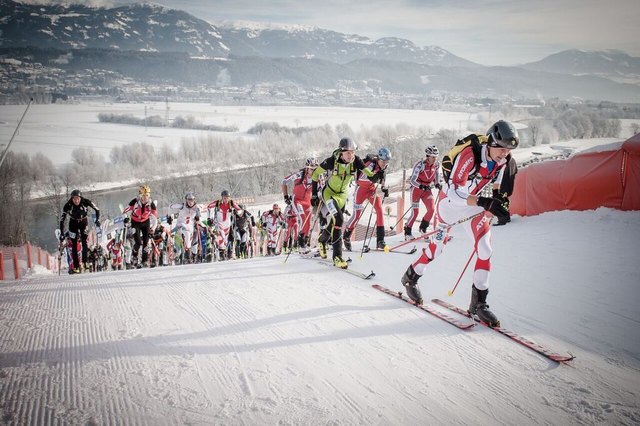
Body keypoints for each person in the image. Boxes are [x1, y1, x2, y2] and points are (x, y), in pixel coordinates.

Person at [400, 120, 519, 327]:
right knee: (436, 250)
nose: (504, 154)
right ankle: (410, 277)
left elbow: (499, 186)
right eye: (500, 148)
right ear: (490, 143)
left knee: (485, 249)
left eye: (508, 150)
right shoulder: (470, 155)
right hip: (448, 205)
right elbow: (454, 192)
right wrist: (483, 201)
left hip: (473, 206)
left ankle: (479, 304)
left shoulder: (505, 161)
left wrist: (497, 202)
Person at [311, 137, 376, 268]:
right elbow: (315, 174)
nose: (350, 155)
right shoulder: (331, 161)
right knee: (339, 220)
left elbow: (368, 173)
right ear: (341, 152)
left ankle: (322, 240)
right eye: (347, 152)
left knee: (334, 222)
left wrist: (376, 176)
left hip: (342, 196)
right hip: (329, 194)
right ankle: (337, 256)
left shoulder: (356, 161)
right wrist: (313, 194)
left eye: (353, 152)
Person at [343, 147, 392, 250]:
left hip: (371, 190)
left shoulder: (383, 167)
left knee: (379, 210)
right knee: (357, 215)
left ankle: (380, 241)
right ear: (378, 159)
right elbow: (360, 180)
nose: (384, 163)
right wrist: (374, 178)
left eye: (386, 161)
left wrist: (384, 188)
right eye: (383, 161)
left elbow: (382, 177)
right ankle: (347, 235)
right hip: (361, 190)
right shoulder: (370, 165)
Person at [404, 145, 443, 239]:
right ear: (428, 156)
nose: (434, 159)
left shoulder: (436, 165)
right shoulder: (420, 165)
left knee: (431, 209)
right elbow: (412, 180)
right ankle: (407, 231)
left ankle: (423, 228)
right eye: (433, 157)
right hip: (416, 190)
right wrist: (420, 186)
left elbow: (437, 175)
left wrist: (437, 183)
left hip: (427, 190)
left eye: (436, 157)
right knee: (415, 213)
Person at [58, 189, 100, 274]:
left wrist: (97, 220)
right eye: (74, 199)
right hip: (73, 223)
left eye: (78, 198)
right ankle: (76, 266)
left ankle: (85, 262)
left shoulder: (85, 201)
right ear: (72, 199)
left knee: (85, 243)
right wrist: (62, 233)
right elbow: (62, 220)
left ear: (80, 198)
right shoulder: (68, 205)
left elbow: (97, 209)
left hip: (83, 222)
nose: (76, 200)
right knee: (73, 245)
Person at [281, 158, 318, 252]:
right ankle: (301, 245)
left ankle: (304, 243)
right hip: (297, 200)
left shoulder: (317, 177)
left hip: (307, 202)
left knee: (308, 223)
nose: (313, 171)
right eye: (311, 169)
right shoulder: (299, 175)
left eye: (315, 169)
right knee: (302, 219)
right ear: (307, 168)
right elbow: (283, 181)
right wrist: (286, 196)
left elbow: (321, 188)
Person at [122, 185, 158, 268]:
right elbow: (124, 212)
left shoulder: (151, 204)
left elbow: (155, 219)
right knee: (138, 242)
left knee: (146, 242)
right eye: (143, 196)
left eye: (147, 195)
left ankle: (144, 260)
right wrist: (125, 219)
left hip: (146, 222)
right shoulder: (134, 202)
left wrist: (152, 229)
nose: (145, 198)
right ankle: (134, 256)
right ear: (140, 195)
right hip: (135, 222)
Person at [207, 190, 242, 260]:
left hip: (227, 224)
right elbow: (209, 207)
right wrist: (209, 218)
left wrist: (236, 211)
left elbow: (240, 210)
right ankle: (220, 251)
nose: (226, 199)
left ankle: (222, 253)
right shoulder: (218, 203)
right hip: (219, 222)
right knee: (222, 236)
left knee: (224, 241)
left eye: (227, 197)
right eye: (224, 198)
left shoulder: (231, 203)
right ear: (222, 197)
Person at [168, 191, 201, 264]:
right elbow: (170, 206)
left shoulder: (196, 208)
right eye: (189, 200)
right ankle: (187, 256)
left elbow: (199, 217)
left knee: (190, 241)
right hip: (181, 225)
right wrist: (169, 216)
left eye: (192, 200)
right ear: (186, 200)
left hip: (190, 226)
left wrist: (197, 218)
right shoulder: (182, 206)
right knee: (186, 234)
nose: (190, 202)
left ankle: (191, 256)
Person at [492, 156, 518, 226]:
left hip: (503, 177)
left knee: (498, 196)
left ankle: (503, 218)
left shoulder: (502, 159)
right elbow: (515, 170)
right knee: (504, 196)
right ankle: (506, 216)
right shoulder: (511, 159)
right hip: (509, 175)